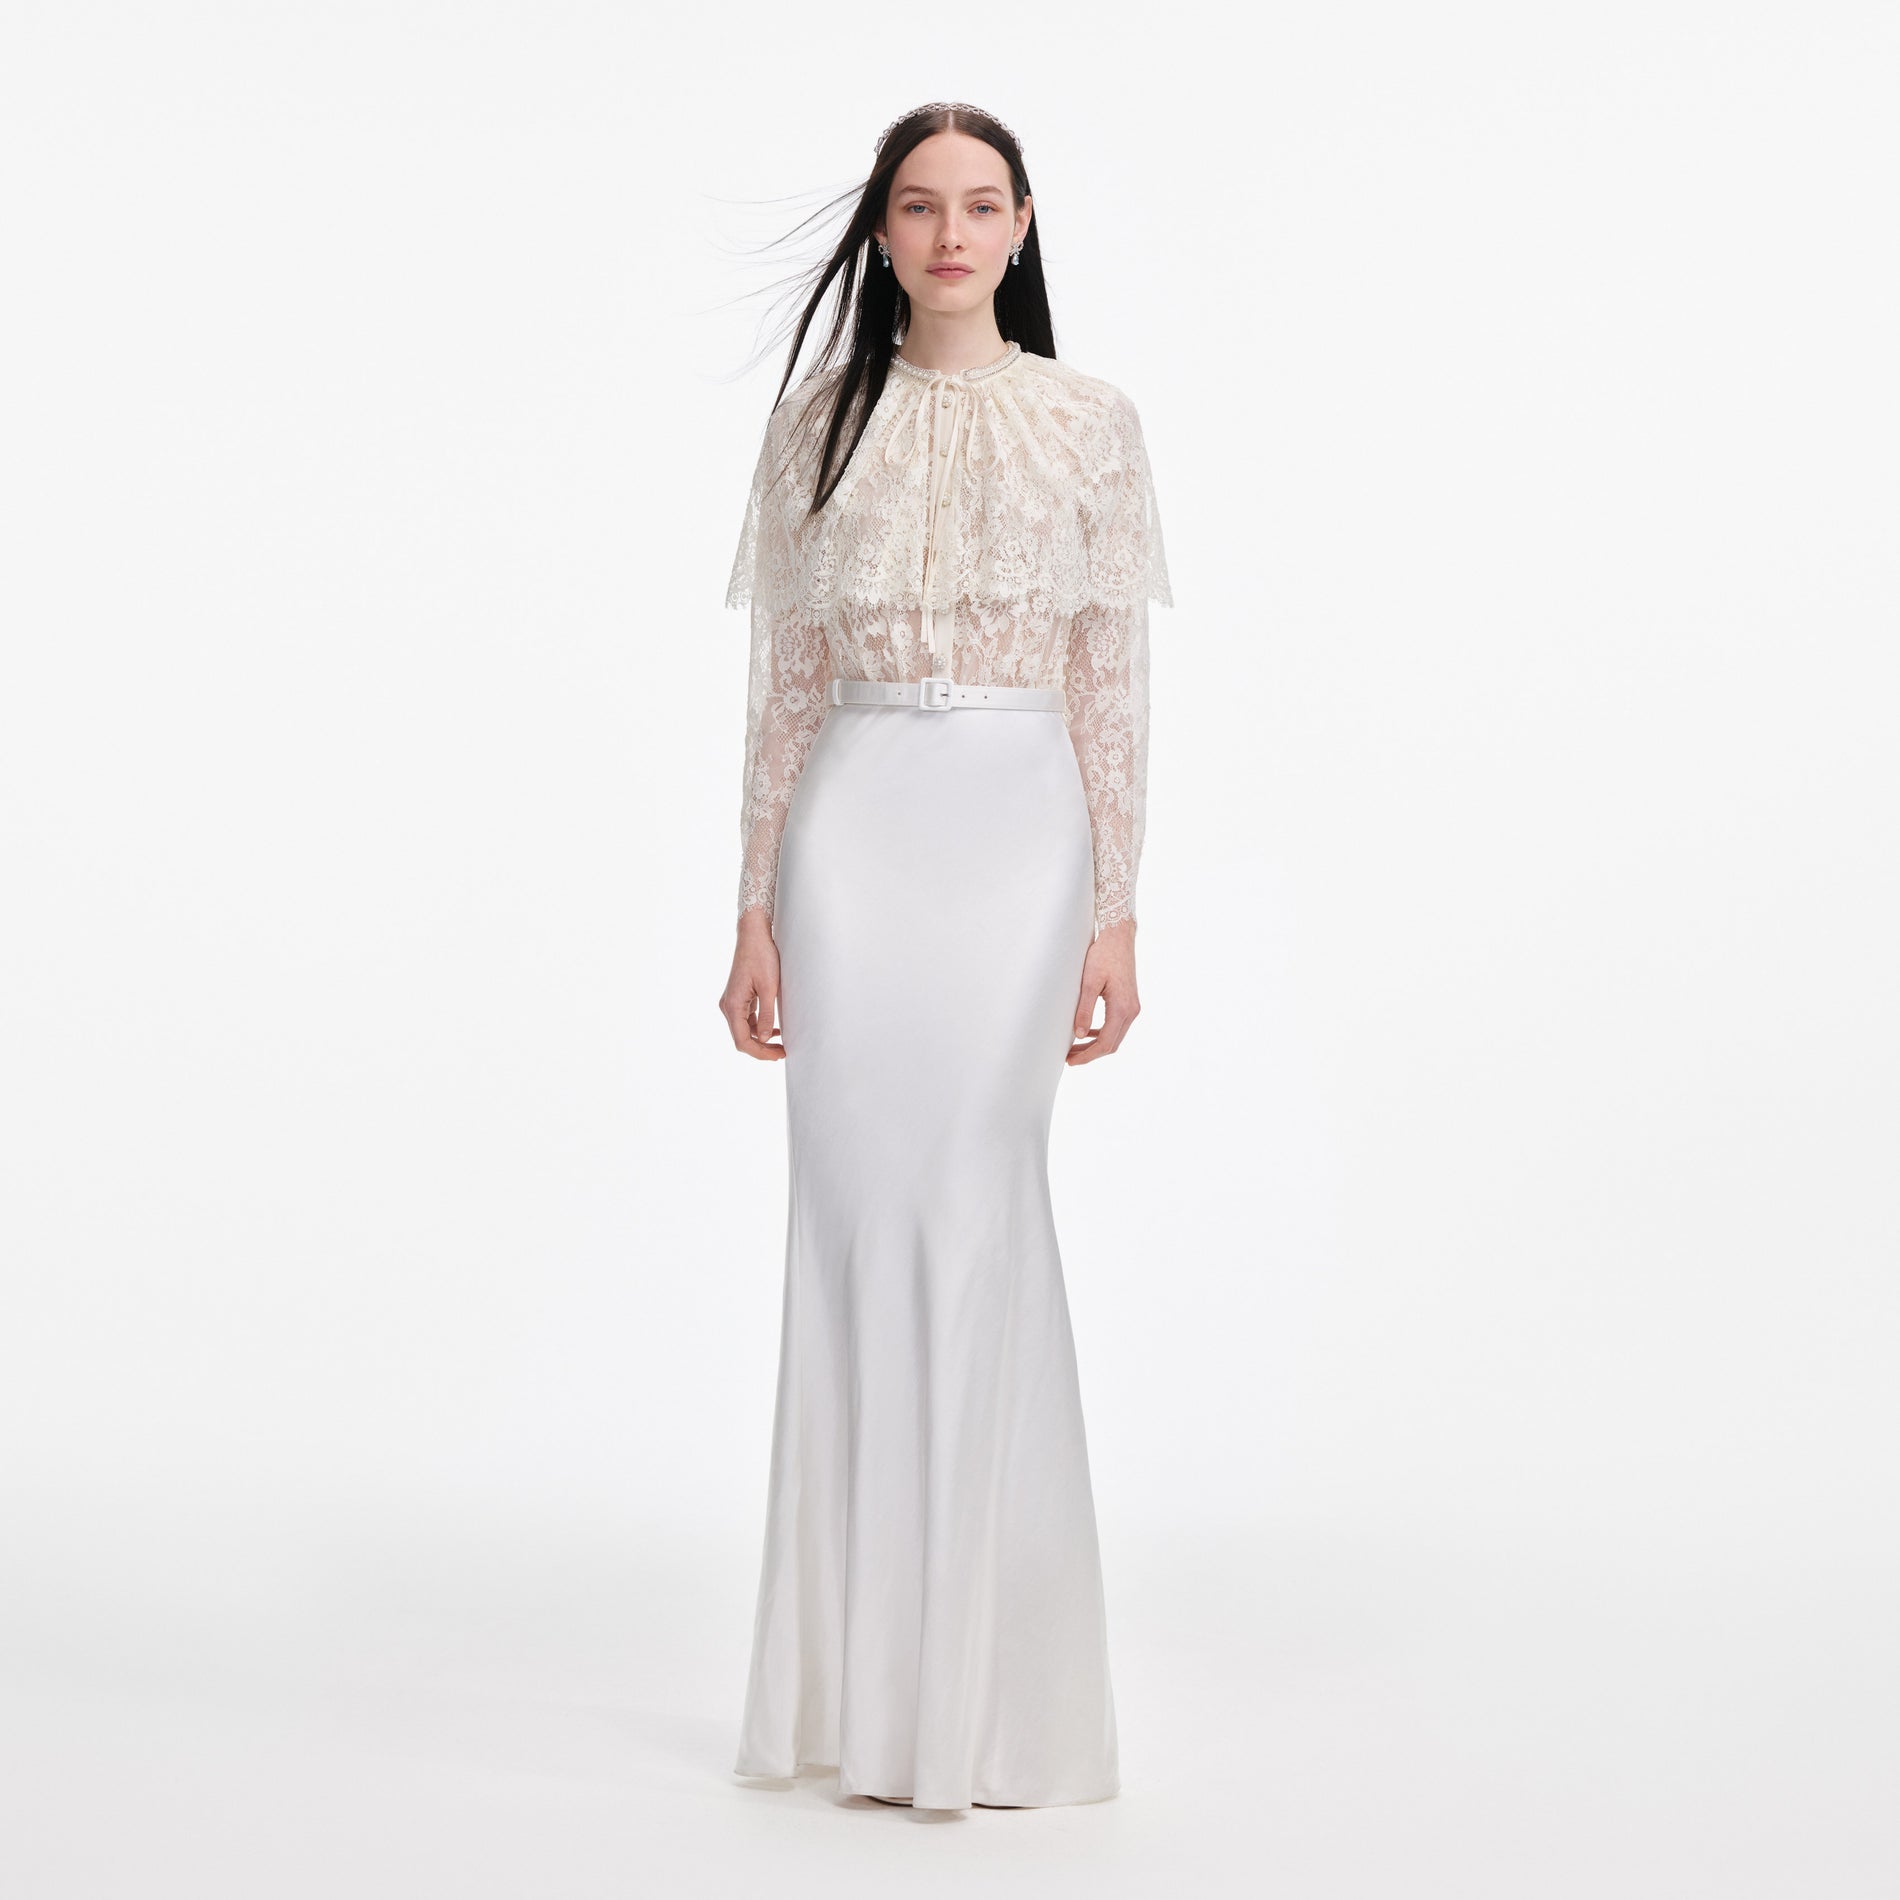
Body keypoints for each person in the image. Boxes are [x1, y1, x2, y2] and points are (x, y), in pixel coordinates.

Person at [717, 101, 1171, 1813]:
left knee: (979, 1203)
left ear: (1024, 224)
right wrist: (754, 903)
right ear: (885, 233)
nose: (953, 234)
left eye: (983, 205)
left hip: (1016, 832)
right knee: (854, 1219)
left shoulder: (1089, 422)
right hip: (853, 835)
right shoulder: (817, 425)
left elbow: (1110, 675)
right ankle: (861, 1701)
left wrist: (1115, 903)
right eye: (921, 206)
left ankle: (994, 1706)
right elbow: (784, 679)